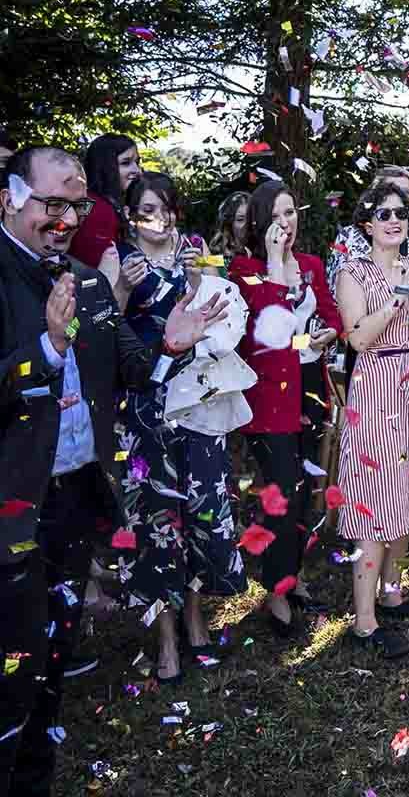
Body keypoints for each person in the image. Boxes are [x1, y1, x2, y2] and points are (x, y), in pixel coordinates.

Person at [0, 146, 226, 796]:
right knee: (10, 672)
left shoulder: (89, 282)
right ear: (10, 198)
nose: (64, 218)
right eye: (50, 203)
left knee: (49, 665)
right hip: (11, 506)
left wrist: (170, 345)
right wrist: (47, 346)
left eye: (75, 206)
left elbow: (132, 369)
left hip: (73, 499)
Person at [111, 173, 249, 681]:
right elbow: (105, 329)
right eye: (147, 209)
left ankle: (195, 618)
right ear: (130, 214)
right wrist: (123, 288)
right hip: (147, 401)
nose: (159, 218)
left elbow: (218, 317)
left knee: (202, 508)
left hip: (198, 400)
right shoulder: (119, 260)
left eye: (167, 208)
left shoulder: (194, 251)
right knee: (157, 518)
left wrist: (197, 282)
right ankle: (166, 637)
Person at [335, 182, 409, 658]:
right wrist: (399, 294)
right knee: (372, 497)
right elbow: (357, 338)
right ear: (367, 224)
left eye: (402, 212)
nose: (394, 219)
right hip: (376, 384)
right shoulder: (353, 274)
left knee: (405, 487)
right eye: (383, 213)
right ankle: (363, 622)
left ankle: (392, 593)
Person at [230, 181, 342, 637]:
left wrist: (328, 334)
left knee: (307, 488)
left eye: (292, 212)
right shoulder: (246, 270)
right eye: (276, 215)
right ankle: (275, 590)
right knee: (280, 492)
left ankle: (294, 578)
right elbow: (266, 330)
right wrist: (276, 265)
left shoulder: (313, 265)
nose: (286, 223)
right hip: (270, 396)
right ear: (260, 222)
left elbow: (332, 315)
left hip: (311, 388)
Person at [326, 164, 409, 291]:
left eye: (408, 192)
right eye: (395, 190)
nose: (403, 197)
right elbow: (335, 287)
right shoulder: (349, 236)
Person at [73, 133, 143, 272]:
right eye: (125, 163)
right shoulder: (98, 209)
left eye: (137, 162)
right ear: (104, 166)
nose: (136, 170)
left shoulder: (91, 201)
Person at [210, 191, 251, 268]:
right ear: (228, 223)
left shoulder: (253, 253)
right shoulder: (214, 259)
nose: (247, 224)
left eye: (250, 218)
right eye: (240, 219)